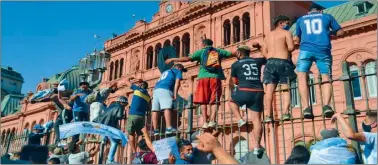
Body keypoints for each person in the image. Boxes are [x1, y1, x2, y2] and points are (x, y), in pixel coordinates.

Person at [166, 39, 237, 129]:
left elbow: (187, 59)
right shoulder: (218, 51)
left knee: (203, 100)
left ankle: (204, 122)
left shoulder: (201, 52)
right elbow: (232, 53)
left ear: (203, 45)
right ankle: (212, 120)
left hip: (203, 78)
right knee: (215, 100)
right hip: (215, 78)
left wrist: (173, 59)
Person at [293, 3, 344, 119]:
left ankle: (306, 107)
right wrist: (330, 33)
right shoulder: (327, 17)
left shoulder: (300, 20)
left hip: (305, 51)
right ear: (320, 11)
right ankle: (326, 106)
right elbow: (341, 32)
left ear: (308, 12)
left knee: (301, 76)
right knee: (326, 77)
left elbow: (297, 39)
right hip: (323, 50)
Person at [254, 15, 296, 122]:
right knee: (285, 88)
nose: (288, 25)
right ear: (281, 23)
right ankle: (286, 112)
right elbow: (291, 47)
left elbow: (264, 52)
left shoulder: (267, 36)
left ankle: (268, 115)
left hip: (270, 63)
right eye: (287, 23)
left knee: (269, 91)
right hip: (283, 62)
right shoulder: (286, 33)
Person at [228, 45, 266, 154]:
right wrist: (260, 47)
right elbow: (267, 57)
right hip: (258, 92)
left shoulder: (235, 64)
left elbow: (235, 81)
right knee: (257, 120)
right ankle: (257, 147)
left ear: (239, 54)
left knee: (231, 101)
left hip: (244, 90)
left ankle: (240, 119)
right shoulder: (257, 61)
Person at [152, 63, 187, 135]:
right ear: (179, 68)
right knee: (167, 108)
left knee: (155, 110)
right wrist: (175, 94)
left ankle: (155, 130)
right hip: (165, 89)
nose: (182, 72)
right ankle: (169, 128)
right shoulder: (178, 71)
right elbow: (177, 83)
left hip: (156, 90)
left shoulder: (166, 71)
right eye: (182, 71)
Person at [94, 96, 128, 164]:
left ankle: (104, 139)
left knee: (105, 139)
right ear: (122, 103)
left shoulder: (112, 105)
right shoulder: (120, 107)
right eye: (125, 104)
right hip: (108, 126)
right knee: (115, 142)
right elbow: (119, 116)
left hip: (100, 123)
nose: (125, 105)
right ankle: (110, 160)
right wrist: (124, 115)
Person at [124, 78, 151, 153]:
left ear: (141, 85)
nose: (138, 84)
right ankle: (140, 150)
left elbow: (126, 81)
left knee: (131, 133)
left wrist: (133, 78)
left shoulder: (137, 89)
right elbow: (149, 108)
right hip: (141, 116)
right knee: (139, 134)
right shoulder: (148, 96)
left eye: (140, 84)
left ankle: (134, 151)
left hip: (133, 115)